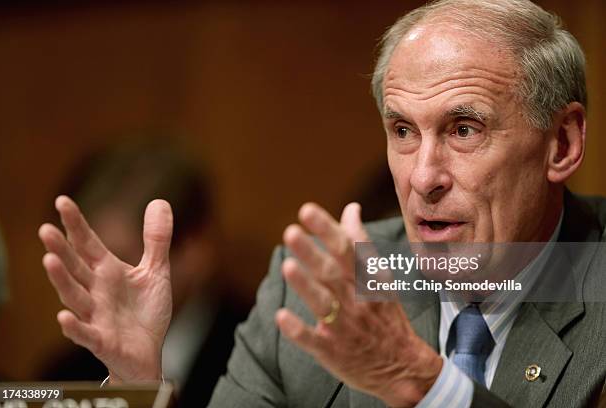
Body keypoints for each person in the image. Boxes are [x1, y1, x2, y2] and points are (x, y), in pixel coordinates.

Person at [38, 0, 606, 406]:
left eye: (463, 129)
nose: (423, 177)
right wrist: (136, 384)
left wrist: (429, 387)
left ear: (562, 143)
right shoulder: (314, 287)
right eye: (403, 131)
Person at [38, 143, 248, 408]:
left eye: (116, 256)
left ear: (194, 250)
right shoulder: (64, 375)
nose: (94, 280)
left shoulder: (263, 360)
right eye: (79, 260)